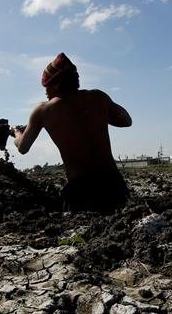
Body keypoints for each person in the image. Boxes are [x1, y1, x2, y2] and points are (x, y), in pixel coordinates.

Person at [10, 52, 132, 212]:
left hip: (81, 190)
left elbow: (23, 147)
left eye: (47, 86)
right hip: (113, 184)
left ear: (56, 84)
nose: (46, 92)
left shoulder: (43, 111)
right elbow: (126, 121)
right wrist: (97, 116)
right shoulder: (98, 97)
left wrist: (16, 132)